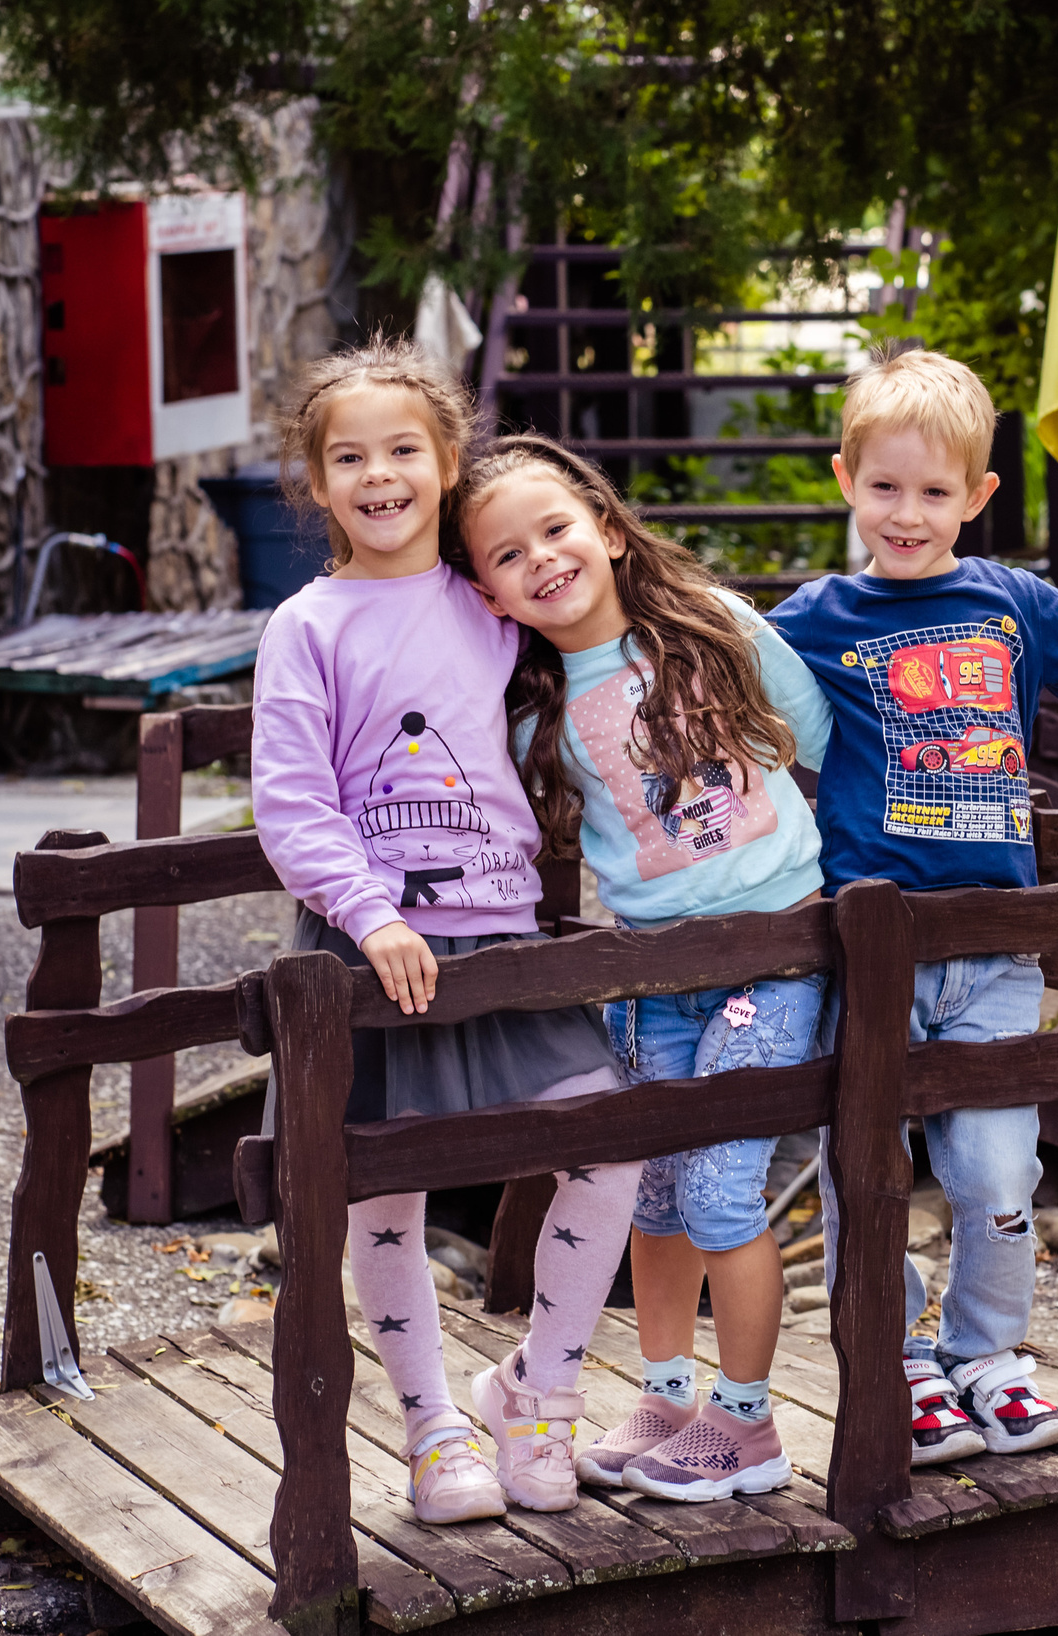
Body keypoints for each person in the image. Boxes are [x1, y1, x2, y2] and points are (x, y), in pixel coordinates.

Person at [251, 341, 638, 1523]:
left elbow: (605, 647)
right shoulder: (307, 626)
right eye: (350, 458)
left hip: (503, 944)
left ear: (447, 459)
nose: (379, 476)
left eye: (403, 450)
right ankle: (432, 1429)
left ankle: (540, 1390)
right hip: (370, 958)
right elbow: (292, 803)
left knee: (610, 1145)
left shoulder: (491, 601)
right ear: (317, 482)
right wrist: (369, 913)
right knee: (384, 1195)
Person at [768, 347, 1058, 1460]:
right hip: (871, 949)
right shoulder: (813, 617)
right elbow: (711, 687)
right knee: (866, 1165)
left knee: (999, 1171)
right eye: (884, 487)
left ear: (977, 496)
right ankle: (892, 1356)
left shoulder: (1013, 604)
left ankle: (988, 1355)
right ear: (846, 479)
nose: (907, 514)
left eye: (934, 492)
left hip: (996, 951)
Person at [451, 435, 833, 1501]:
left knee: (719, 1189)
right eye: (508, 554)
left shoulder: (710, 625)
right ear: (488, 593)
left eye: (556, 529)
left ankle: (747, 1424)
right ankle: (665, 1397)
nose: (541, 558)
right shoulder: (530, 707)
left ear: (609, 531)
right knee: (655, 1195)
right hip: (652, 976)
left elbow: (815, 729)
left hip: (771, 960)